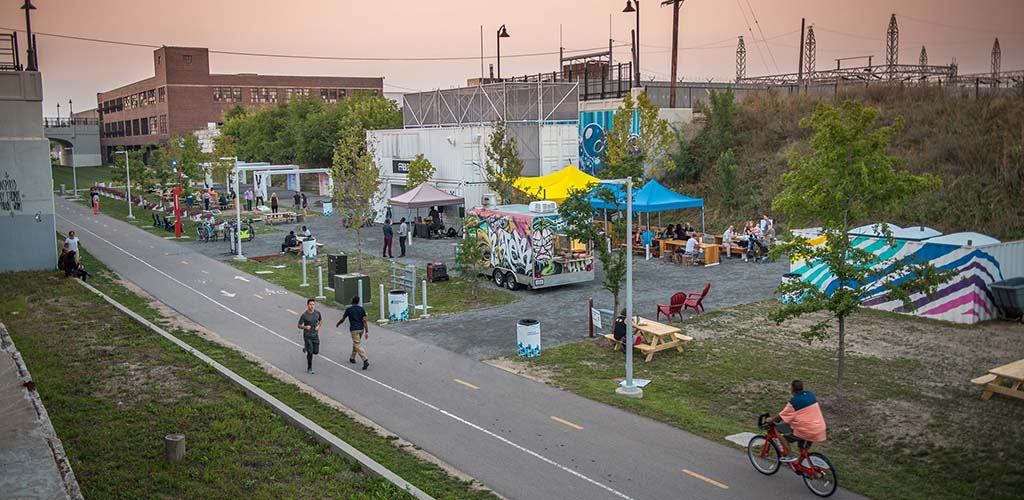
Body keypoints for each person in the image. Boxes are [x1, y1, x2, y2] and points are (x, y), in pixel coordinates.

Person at [774, 380, 827, 462]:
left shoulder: (794, 402)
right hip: (819, 428)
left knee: (777, 430)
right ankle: (805, 467)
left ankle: (790, 455)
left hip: (806, 430)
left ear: (792, 389)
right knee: (802, 448)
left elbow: (780, 417)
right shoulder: (810, 395)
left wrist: (770, 420)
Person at [337, 296, 370, 370]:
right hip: (361, 329)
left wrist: (338, 323)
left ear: (352, 301)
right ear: (358, 302)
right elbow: (364, 321)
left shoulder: (349, 310)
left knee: (357, 344)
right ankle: (352, 357)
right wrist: (367, 331)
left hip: (354, 329)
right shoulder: (361, 309)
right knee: (356, 343)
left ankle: (365, 360)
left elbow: (343, 319)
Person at [297, 298, 322, 374]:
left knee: (316, 352)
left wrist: (319, 326)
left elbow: (320, 321)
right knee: (310, 352)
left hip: (315, 335)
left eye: (313, 304)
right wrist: (305, 327)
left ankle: (306, 348)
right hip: (307, 336)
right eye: (310, 304)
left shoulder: (317, 313)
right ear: (307, 305)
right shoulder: (304, 315)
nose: (312, 306)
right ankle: (309, 368)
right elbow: (299, 325)